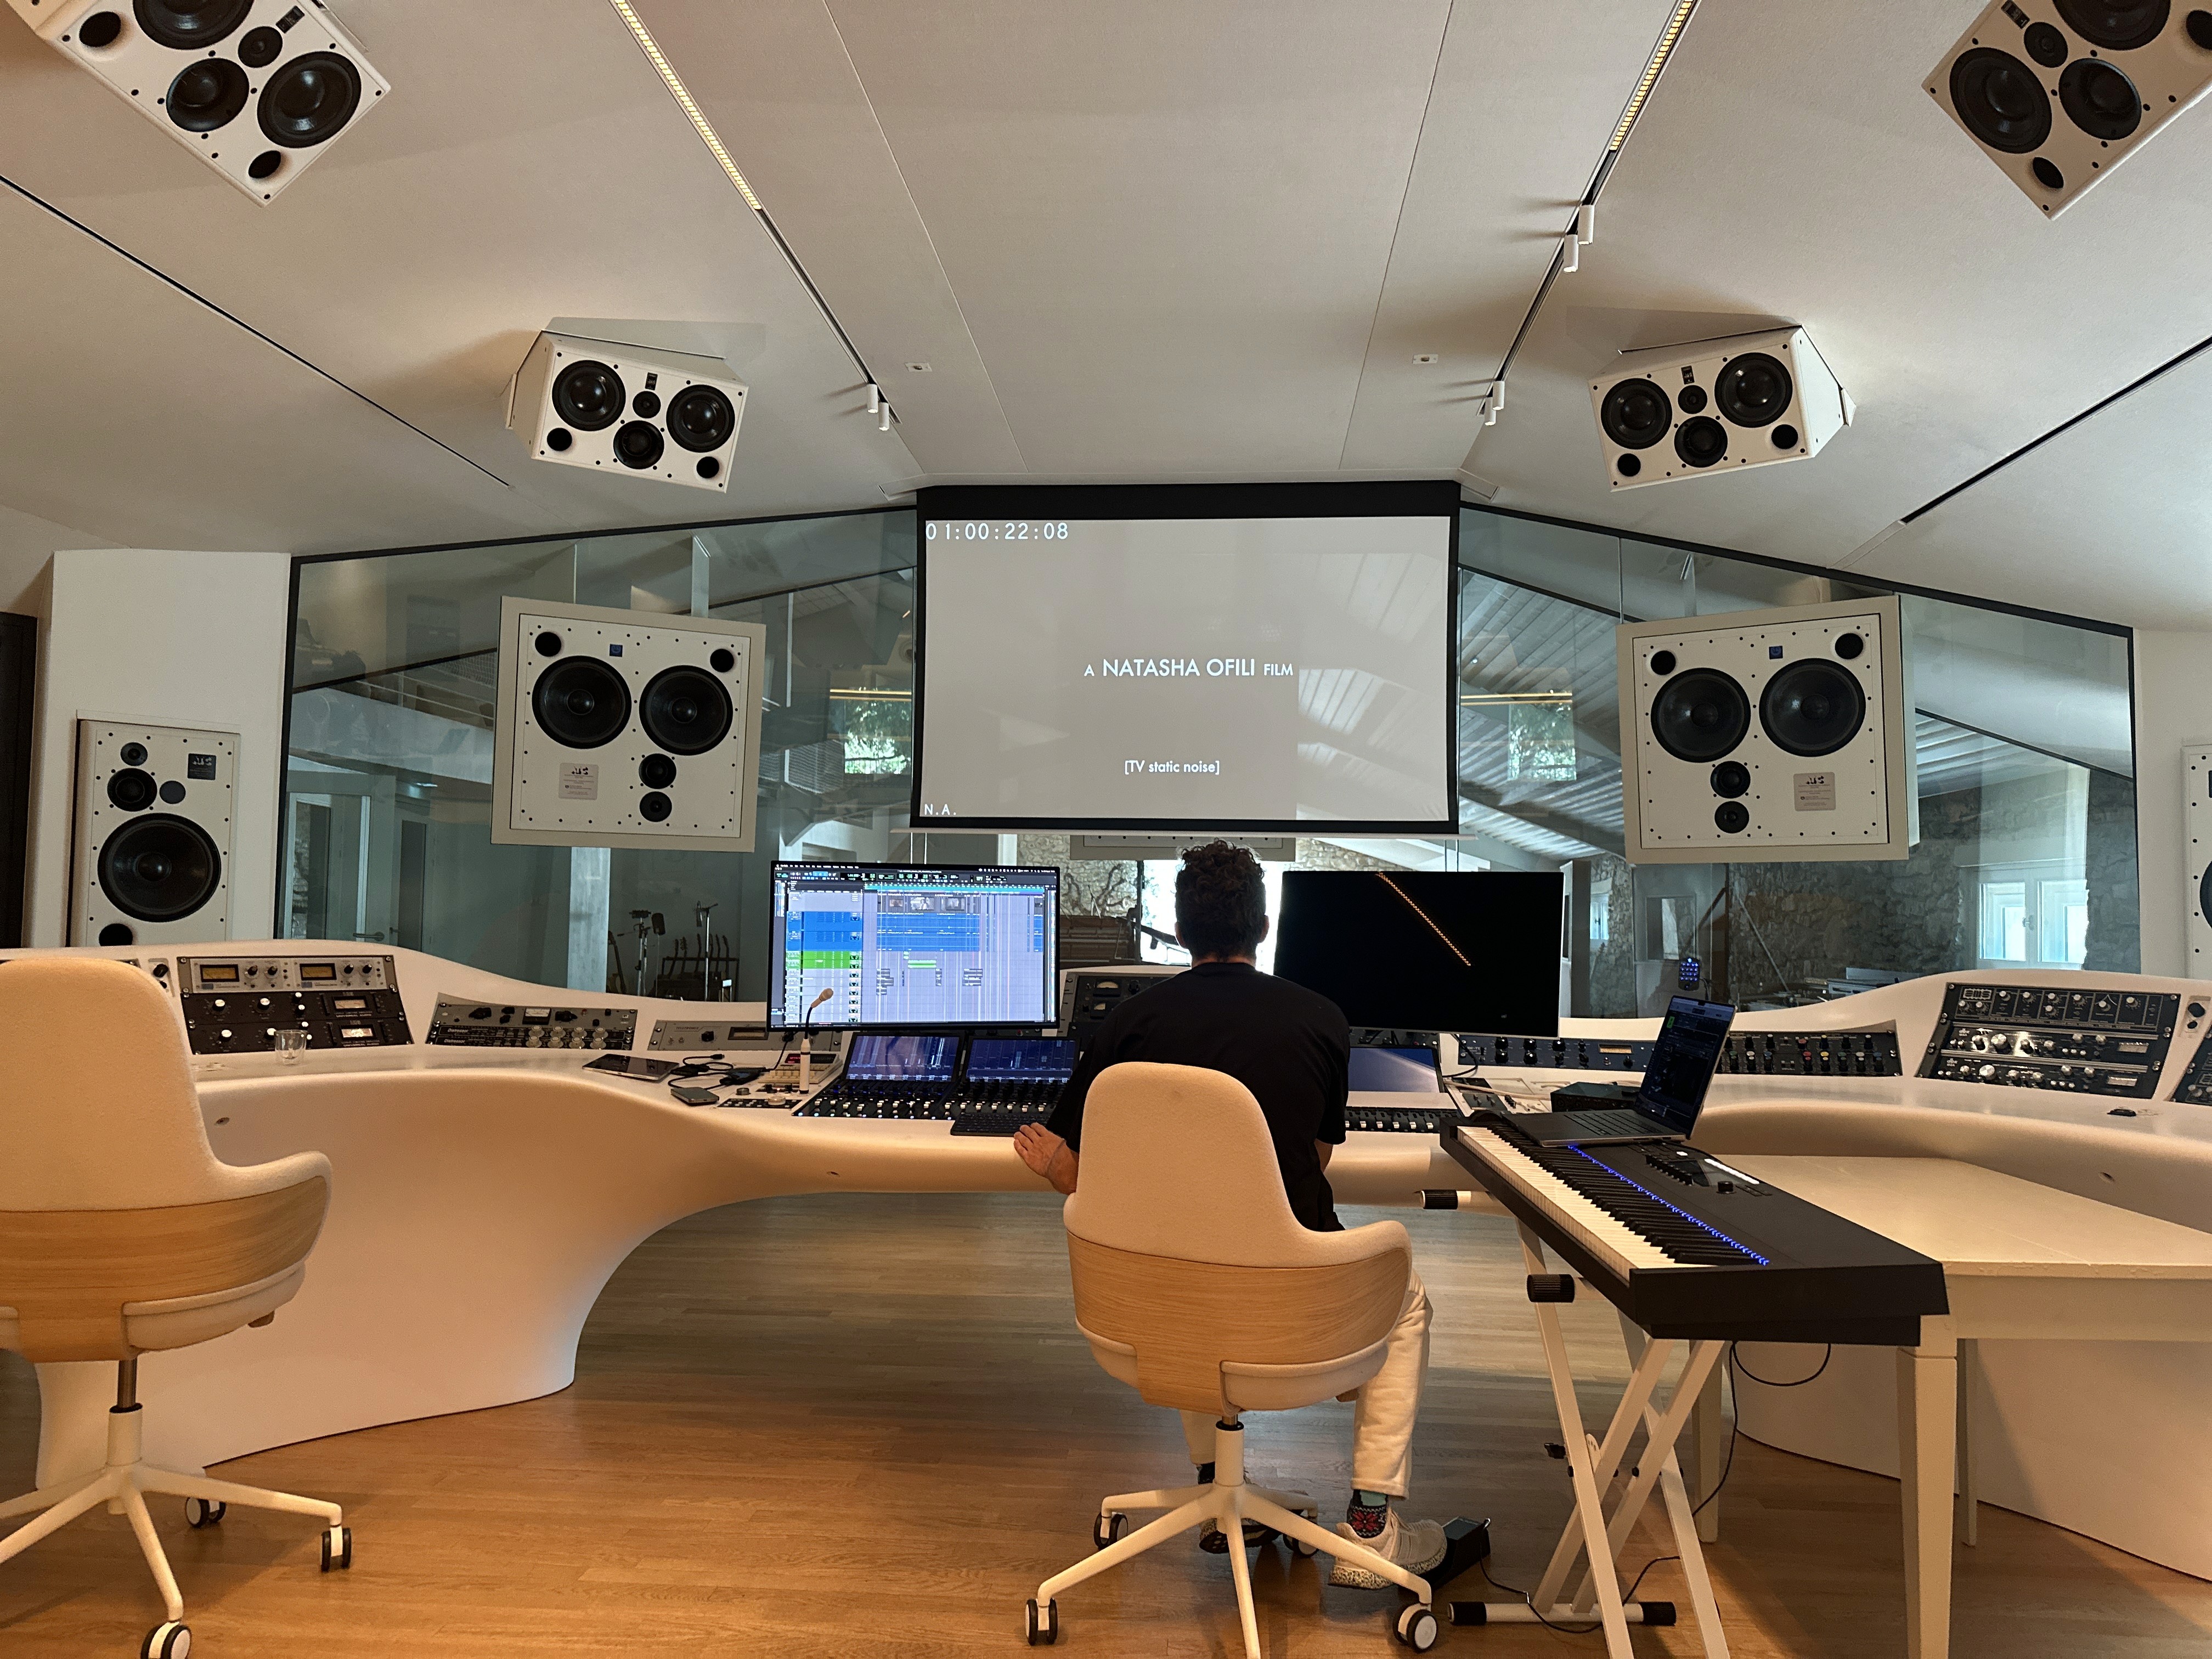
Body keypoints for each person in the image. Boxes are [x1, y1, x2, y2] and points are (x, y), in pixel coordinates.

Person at [1013, 842, 1443, 1589]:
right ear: (1264, 925)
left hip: (1154, 1324)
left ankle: (1218, 1487)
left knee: (1175, 1256)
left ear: (1181, 931)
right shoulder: (1320, 1020)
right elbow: (1314, 1161)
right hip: (1301, 1320)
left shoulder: (1130, 1027)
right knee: (1406, 1299)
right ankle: (1371, 1524)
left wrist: (1055, 1165)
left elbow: (1085, 1177)